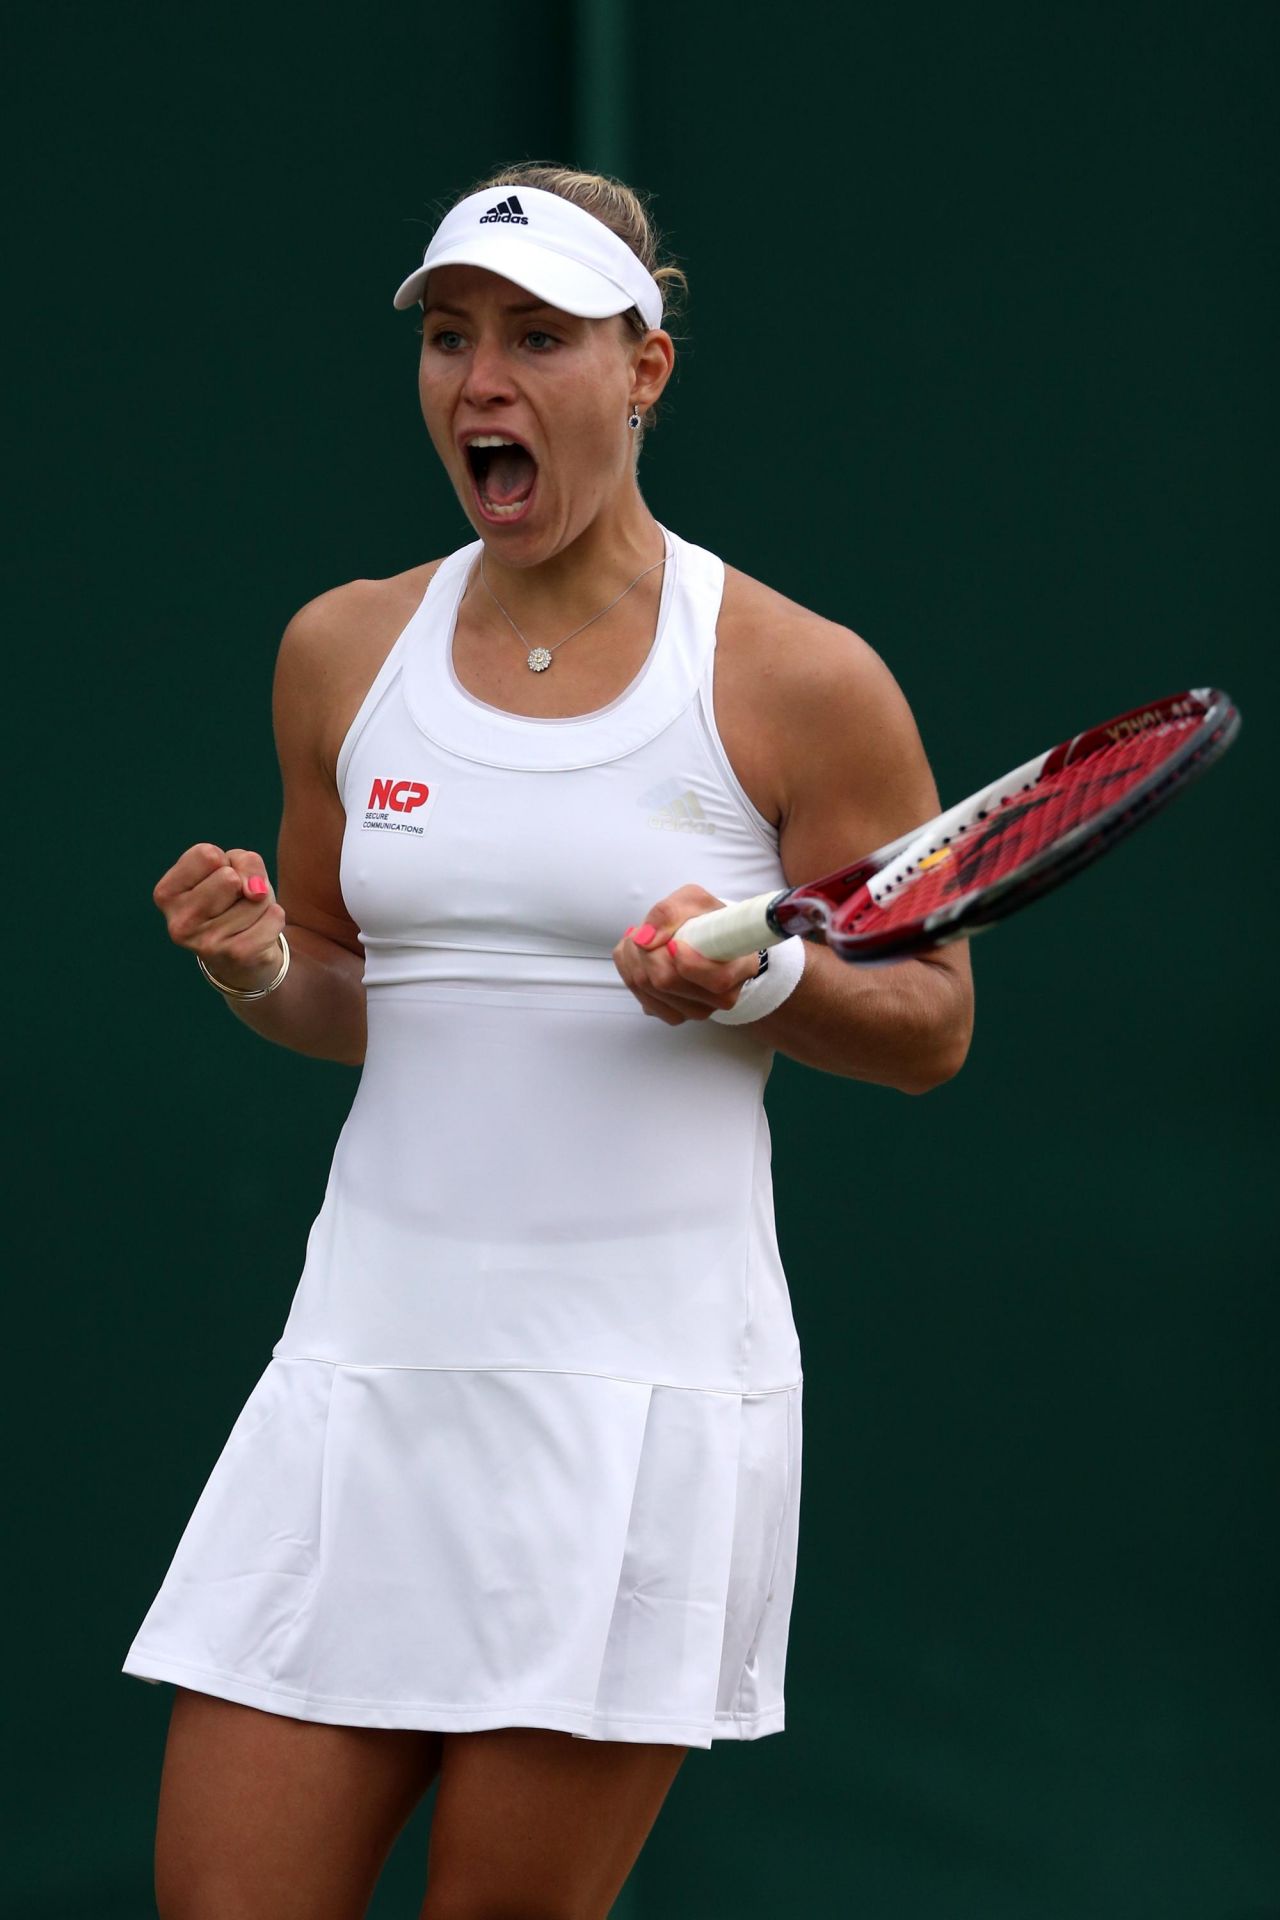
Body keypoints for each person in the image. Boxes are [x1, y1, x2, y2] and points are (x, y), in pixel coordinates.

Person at [123, 163, 974, 1920]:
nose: (479, 381)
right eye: (449, 339)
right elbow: (353, 1002)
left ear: (644, 368)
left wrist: (756, 986)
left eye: (537, 338)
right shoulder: (341, 654)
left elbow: (929, 1026)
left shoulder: (798, 681)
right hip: (362, 1382)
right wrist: (254, 963)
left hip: (634, 1411)